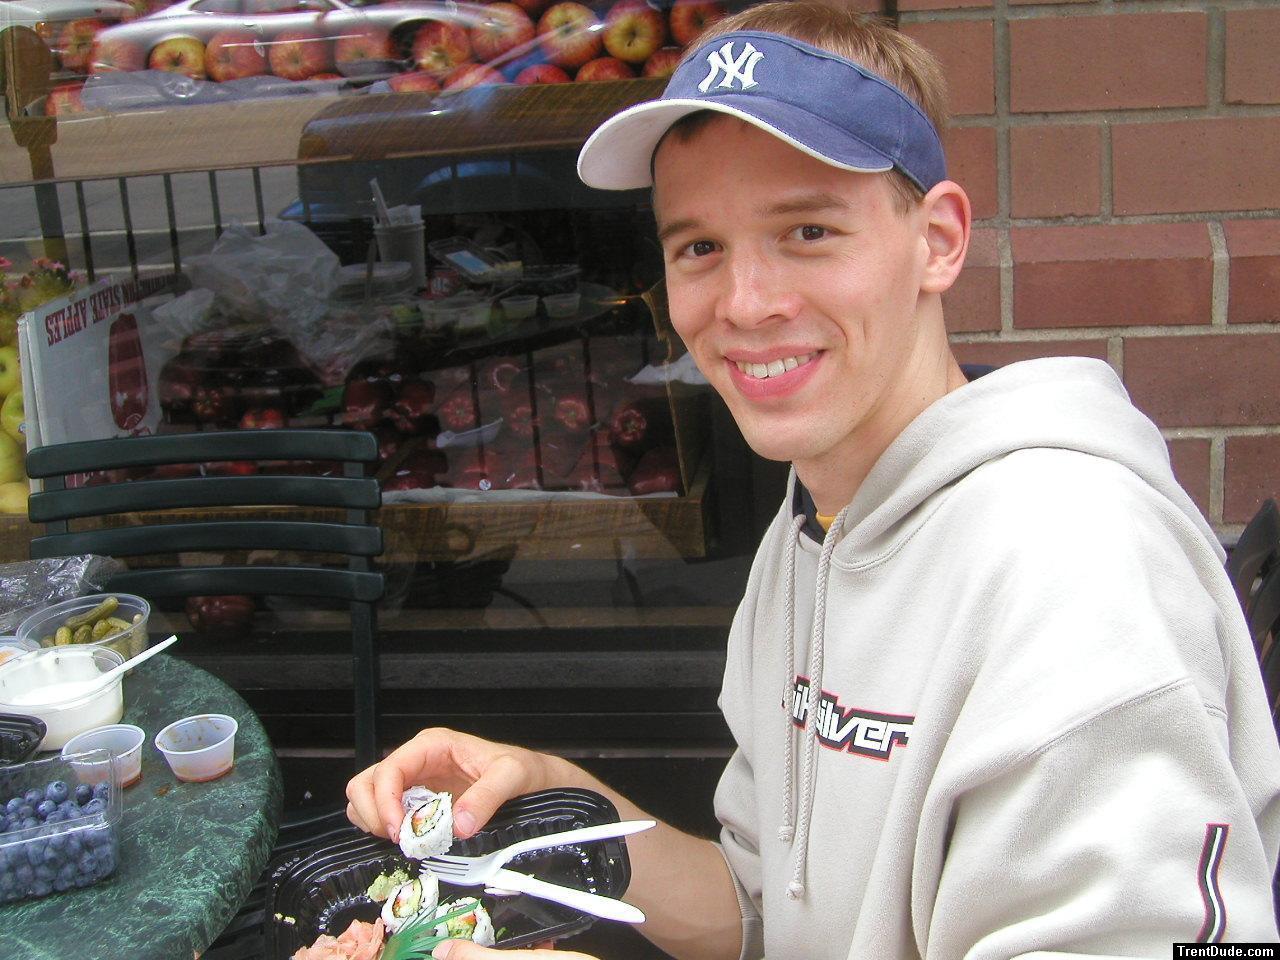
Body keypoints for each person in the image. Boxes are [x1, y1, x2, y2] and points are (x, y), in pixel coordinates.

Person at [346, 4, 1280, 957]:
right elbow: (760, 912)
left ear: (939, 239)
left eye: (809, 231)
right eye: (700, 247)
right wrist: (554, 803)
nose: (746, 304)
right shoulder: (816, 528)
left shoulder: (1076, 574)